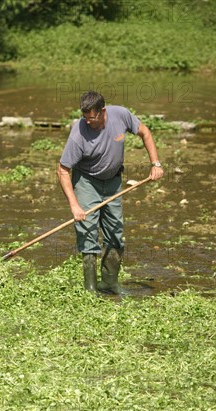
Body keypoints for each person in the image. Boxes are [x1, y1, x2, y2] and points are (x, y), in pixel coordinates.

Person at [57, 91, 164, 295]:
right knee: (87, 231)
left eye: (93, 117)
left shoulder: (120, 115)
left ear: (103, 111)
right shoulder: (78, 134)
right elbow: (62, 170)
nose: (88, 122)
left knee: (115, 232)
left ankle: (109, 283)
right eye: (85, 117)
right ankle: (90, 289)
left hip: (113, 182)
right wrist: (74, 205)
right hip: (87, 182)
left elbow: (145, 132)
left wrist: (155, 164)